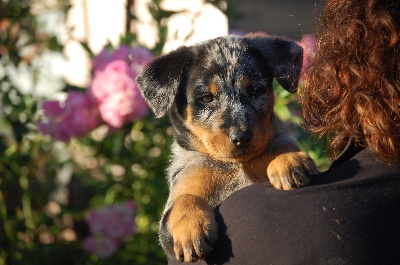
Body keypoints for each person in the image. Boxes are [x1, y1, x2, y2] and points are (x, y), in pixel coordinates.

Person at [168, 0, 400, 264]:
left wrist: (285, 156)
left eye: (254, 91)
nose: (239, 130)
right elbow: (174, 235)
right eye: (207, 100)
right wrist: (186, 207)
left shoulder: (279, 150)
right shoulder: (194, 169)